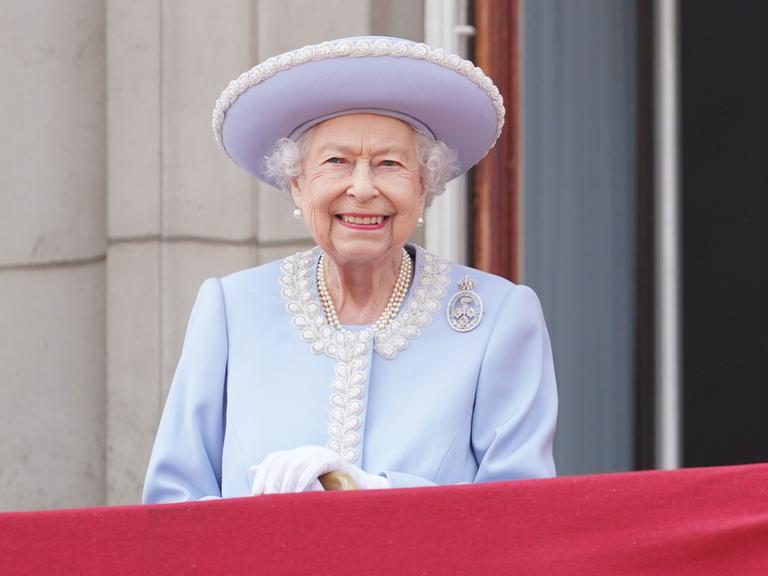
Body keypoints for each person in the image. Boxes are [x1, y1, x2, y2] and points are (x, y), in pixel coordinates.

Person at [143, 36, 557, 503]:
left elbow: (522, 511)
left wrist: (377, 493)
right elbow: (172, 502)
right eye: (336, 161)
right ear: (297, 185)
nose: (362, 188)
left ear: (424, 187)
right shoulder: (230, 310)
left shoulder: (499, 317)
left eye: (389, 164)